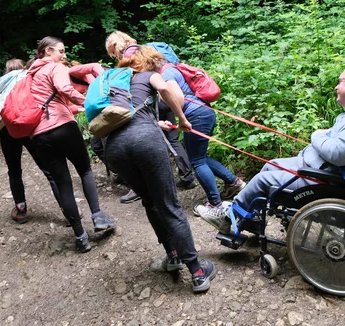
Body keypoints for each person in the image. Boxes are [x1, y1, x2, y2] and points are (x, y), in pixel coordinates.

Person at [197, 65, 345, 232]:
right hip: (321, 168)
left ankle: (227, 218)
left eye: (341, 81)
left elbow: (338, 154)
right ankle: (251, 221)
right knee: (270, 165)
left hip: (324, 178)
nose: (336, 87)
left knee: (262, 180)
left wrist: (317, 135)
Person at [103, 45, 217, 293]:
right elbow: (165, 88)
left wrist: (156, 123)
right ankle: (197, 273)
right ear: (147, 62)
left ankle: (172, 256)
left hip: (114, 147)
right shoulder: (146, 75)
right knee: (169, 205)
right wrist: (181, 119)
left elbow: (125, 116)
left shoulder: (114, 81)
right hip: (144, 140)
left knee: (150, 201)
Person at [105, 31, 246, 214]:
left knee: (197, 162)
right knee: (198, 157)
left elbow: (177, 98)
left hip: (196, 116)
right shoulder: (169, 68)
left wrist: (179, 116)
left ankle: (215, 204)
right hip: (204, 113)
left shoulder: (166, 72)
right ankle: (233, 182)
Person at [29, 37, 115, 253]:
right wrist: (91, 104)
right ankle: (98, 217)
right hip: (63, 129)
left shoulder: (31, 74)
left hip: (39, 134)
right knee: (85, 170)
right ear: (48, 51)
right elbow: (65, 89)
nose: (64, 56)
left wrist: (76, 107)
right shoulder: (54, 67)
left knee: (63, 182)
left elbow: (52, 102)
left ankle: (80, 235)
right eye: (61, 51)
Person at [105, 31, 199, 205]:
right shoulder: (145, 49)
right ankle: (187, 176)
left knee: (157, 140)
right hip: (165, 98)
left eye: (112, 51)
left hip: (150, 103)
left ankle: (140, 187)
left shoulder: (129, 56)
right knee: (172, 139)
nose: (113, 55)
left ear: (116, 45)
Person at [0, 59, 62, 223]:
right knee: (49, 170)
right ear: (23, 67)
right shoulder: (29, 77)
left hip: (8, 130)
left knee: (14, 171)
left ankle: (21, 209)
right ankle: (68, 209)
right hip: (31, 126)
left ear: (6, 69)